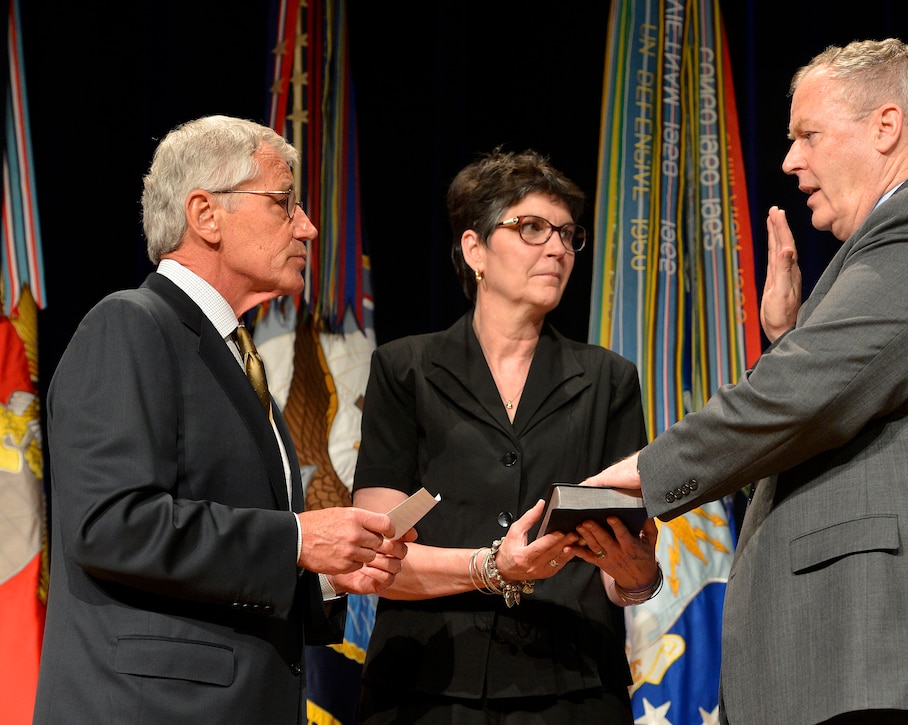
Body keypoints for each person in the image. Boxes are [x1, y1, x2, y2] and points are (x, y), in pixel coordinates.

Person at [583, 38, 908, 725]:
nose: (789, 161)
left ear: (886, 127)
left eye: (807, 134)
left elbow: (808, 395)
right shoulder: (906, 242)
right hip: (866, 677)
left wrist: (638, 477)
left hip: (907, 677)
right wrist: (790, 337)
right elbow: (853, 405)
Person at [33, 115, 412, 725]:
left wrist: (331, 570)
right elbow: (111, 525)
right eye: (285, 204)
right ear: (206, 214)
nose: (310, 228)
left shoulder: (235, 355)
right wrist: (297, 539)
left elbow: (229, 559)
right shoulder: (130, 325)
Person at [351, 148, 659, 724]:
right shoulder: (405, 370)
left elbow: (629, 566)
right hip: (424, 688)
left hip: (572, 688)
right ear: (475, 251)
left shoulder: (609, 379)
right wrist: (493, 566)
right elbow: (375, 556)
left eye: (568, 235)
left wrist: (637, 576)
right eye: (532, 228)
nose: (557, 249)